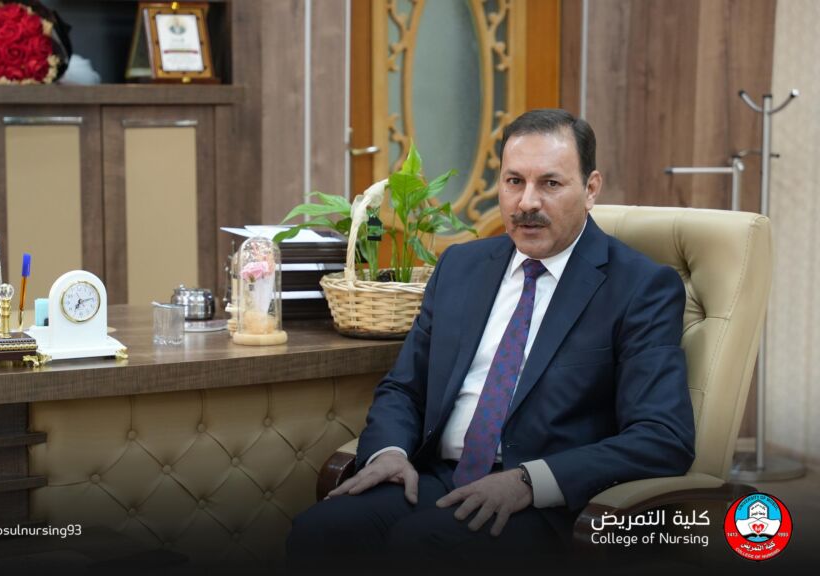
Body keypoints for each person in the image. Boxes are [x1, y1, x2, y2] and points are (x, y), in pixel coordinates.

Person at [286, 109, 695, 571]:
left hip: (548, 506)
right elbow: (405, 387)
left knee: (422, 546)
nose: (527, 202)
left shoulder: (639, 286)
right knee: (321, 531)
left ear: (591, 189)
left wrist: (529, 481)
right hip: (436, 478)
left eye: (550, 183)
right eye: (514, 181)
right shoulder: (461, 267)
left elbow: (663, 437)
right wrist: (390, 452)